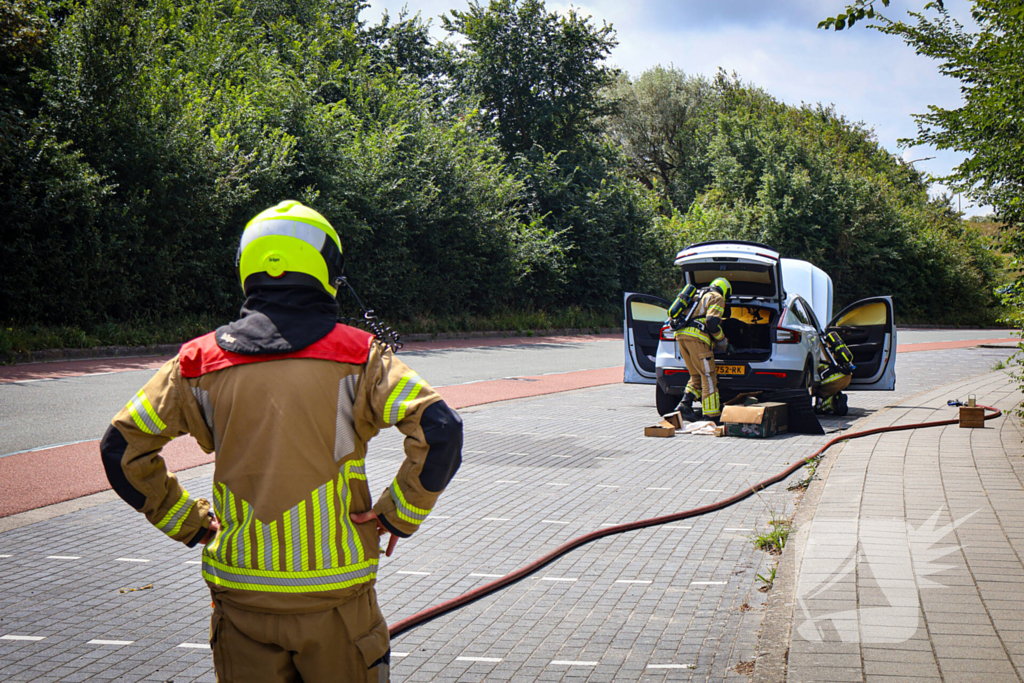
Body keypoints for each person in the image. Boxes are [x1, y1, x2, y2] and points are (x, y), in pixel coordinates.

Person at [99, 200, 463, 682]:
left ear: (247, 269)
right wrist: (399, 513)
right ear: (327, 270)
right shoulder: (361, 356)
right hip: (338, 601)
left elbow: (121, 448)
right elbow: (440, 429)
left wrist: (189, 523)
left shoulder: (196, 362)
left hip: (239, 598)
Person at [672, 277, 731, 422]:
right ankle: (711, 415)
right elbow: (712, 322)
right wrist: (722, 341)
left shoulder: (696, 296)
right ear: (725, 290)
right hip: (697, 339)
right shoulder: (716, 297)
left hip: (681, 337)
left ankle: (684, 406)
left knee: (696, 375)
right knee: (708, 376)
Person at [814, 332, 855, 416]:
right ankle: (837, 398)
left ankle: (829, 403)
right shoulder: (826, 341)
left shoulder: (813, 342)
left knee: (821, 394)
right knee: (830, 390)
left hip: (830, 379)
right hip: (845, 375)